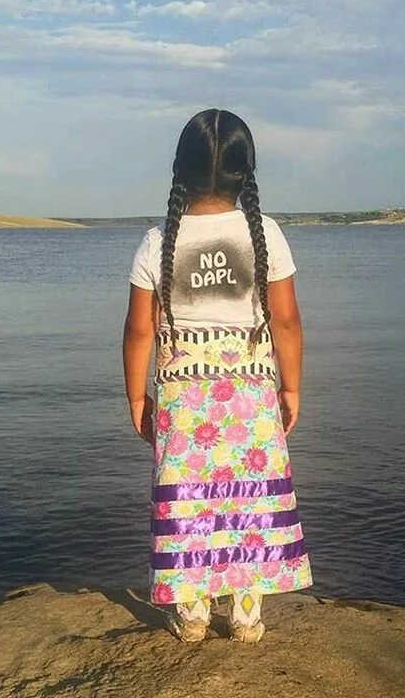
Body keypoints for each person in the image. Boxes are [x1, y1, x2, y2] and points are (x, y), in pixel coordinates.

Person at [123, 108, 312, 643]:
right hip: (251, 393)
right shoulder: (265, 234)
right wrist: (291, 386)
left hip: (184, 401)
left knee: (187, 501)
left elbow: (139, 331)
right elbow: (287, 321)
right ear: (246, 172)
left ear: (179, 169)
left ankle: (192, 615)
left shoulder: (158, 240)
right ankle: (246, 615)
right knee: (249, 500)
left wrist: (137, 397)